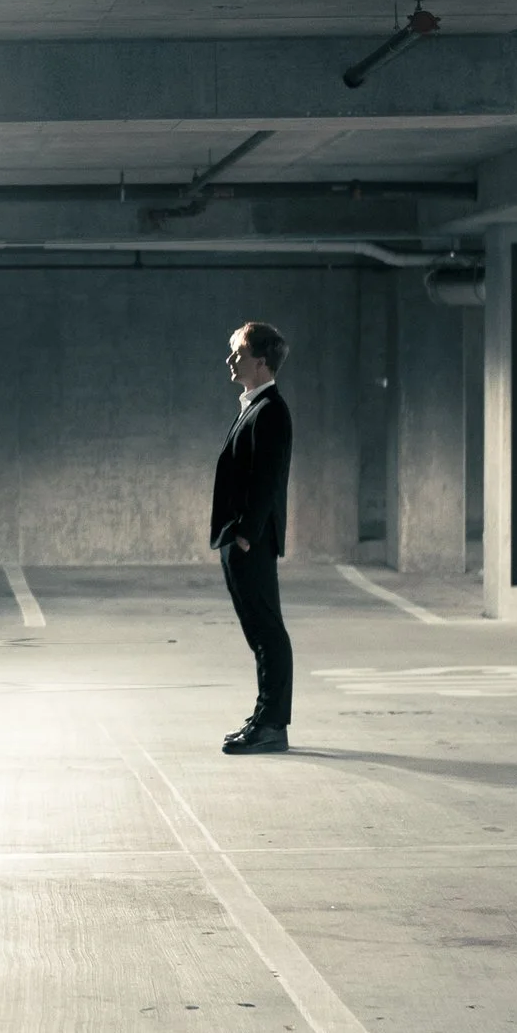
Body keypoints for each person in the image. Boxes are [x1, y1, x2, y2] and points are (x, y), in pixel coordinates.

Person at [209, 321, 293, 755]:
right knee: (259, 630)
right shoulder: (253, 407)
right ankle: (265, 718)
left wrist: (244, 535)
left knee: (267, 631)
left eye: (237, 353)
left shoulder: (271, 410)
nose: (230, 360)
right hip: (241, 538)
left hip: (250, 541)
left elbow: (267, 479)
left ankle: (271, 723)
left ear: (261, 361)